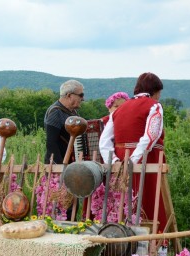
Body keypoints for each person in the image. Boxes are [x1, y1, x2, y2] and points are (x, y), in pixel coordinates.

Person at [98, 72, 167, 231]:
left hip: (122, 158)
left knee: (124, 199)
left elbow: (104, 141)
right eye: (159, 93)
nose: (159, 97)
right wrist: (133, 160)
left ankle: (124, 238)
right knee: (150, 199)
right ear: (154, 91)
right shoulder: (154, 105)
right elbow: (151, 135)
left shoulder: (119, 109)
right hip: (146, 158)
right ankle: (155, 242)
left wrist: (115, 161)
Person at [44, 80, 85, 165]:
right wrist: (60, 167)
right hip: (58, 163)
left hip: (70, 163)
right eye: (81, 95)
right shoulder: (55, 112)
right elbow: (51, 143)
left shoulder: (73, 113)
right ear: (69, 95)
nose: (83, 99)